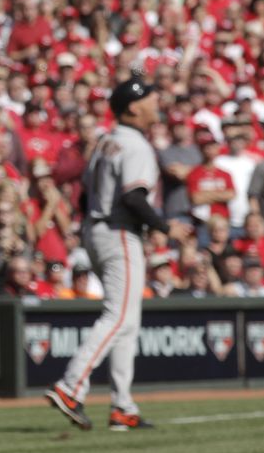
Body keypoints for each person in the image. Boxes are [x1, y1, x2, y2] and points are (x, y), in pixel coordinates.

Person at [46, 76, 191, 432]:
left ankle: (122, 407)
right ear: (133, 107)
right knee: (117, 317)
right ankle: (70, 387)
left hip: (97, 228)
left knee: (127, 323)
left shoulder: (106, 142)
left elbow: (82, 195)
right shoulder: (135, 145)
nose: (157, 104)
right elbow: (133, 197)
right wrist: (165, 227)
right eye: (151, 99)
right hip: (119, 231)